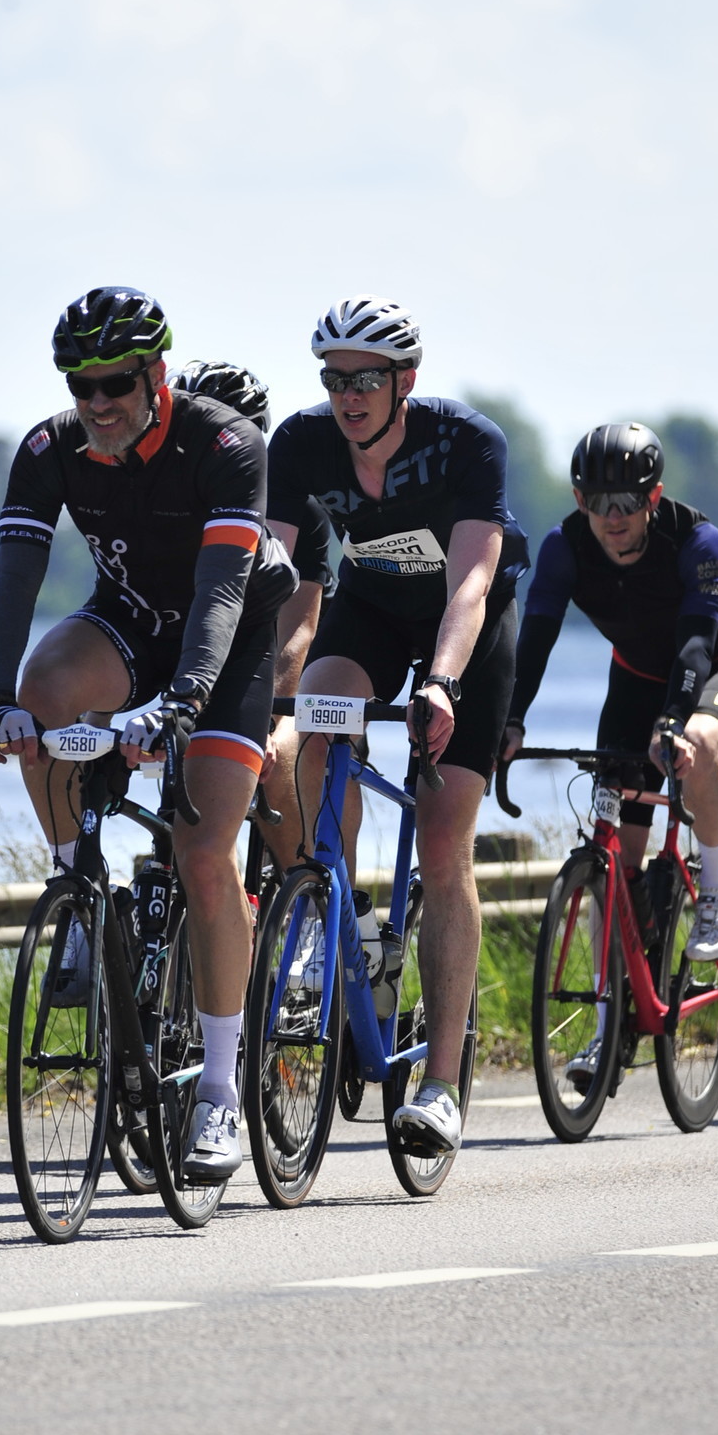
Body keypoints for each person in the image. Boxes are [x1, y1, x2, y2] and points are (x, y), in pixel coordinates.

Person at [0, 289, 296, 1182]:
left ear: (157, 373)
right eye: (80, 385)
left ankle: (221, 1093)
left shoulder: (226, 444)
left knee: (204, 855)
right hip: (132, 619)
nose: (97, 401)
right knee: (43, 693)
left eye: (115, 382)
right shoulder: (50, 449)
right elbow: (15, 579)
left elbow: (222, 592)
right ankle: (80, 888)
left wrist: (183, 702)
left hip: (228, 639)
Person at [266, 297, 528, 1160]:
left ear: (404, 381)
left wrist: (442, 684)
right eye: (334, 379)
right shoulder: (300, 443)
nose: (347, 396)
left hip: (466, 626)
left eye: (366, 380)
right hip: (373, 608)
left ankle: (442, 1086)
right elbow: (266, 573)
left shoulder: (466, 442)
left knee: (444, 837)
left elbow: (471, 584)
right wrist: (238, 685)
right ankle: (340, 916)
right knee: (311, 728)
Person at [502, 423, 718, 1051]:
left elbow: (695, 645)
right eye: (598, 502)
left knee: (698, 742)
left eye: (626, 503)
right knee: (615, 863)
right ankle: (609, 1026)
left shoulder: (697, 540)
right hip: (634, 684)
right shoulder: (565, 548)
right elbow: (535, 640)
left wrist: (673, 722)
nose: (612, 518)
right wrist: (509, 721)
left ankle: (716, 890)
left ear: (653, 498)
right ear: (579, 499)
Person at [169, 361, 335, 876]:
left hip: (284, 669)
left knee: (275, 761)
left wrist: (270, 724)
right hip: (207, 666)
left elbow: (298, 630)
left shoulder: (296, 510)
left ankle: (301, 887)